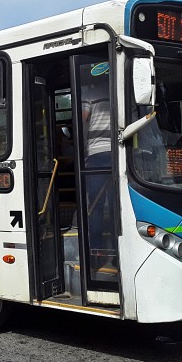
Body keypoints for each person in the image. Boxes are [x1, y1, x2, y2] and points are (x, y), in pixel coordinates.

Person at [81, 79, 114, 265]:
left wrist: (83, 152)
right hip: (117, 154)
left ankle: (97, 255)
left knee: (96, 208)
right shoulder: (116, 87)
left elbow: (83, 120)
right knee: (117, 208)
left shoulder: (88, 94)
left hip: (96, 154)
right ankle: (117, 254)